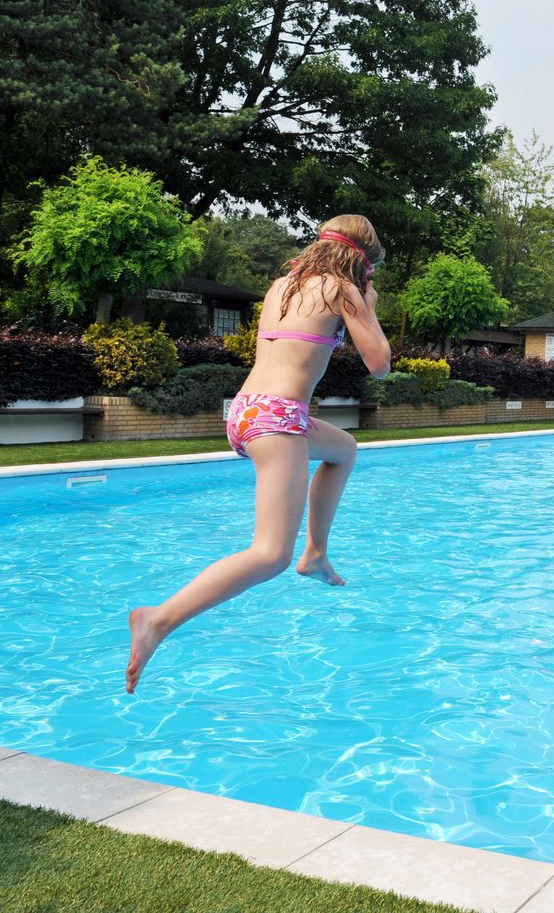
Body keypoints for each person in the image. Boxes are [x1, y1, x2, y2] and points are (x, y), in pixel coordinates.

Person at [126, 216, 393, 694]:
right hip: (278, 418)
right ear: (362, 262)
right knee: (269, 554)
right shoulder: (343, 291)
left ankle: (316, 555)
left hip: (247, 410)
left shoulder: (282, 285)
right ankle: (158, 620)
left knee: (343, 449)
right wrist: (368, 305)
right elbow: (380, 365)